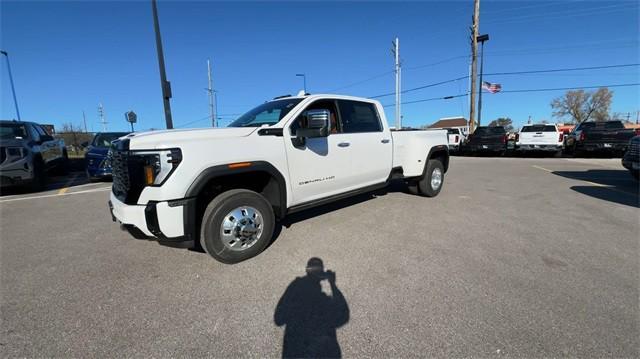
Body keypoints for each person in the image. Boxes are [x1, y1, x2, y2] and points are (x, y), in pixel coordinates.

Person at [274, 257, 349, 358]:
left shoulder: (296, 285)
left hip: (296, 350)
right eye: (314, 268)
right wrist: (333, 285)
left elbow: (279, 319)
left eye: (317, 268)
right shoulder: (300, 286)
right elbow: (343, 316)